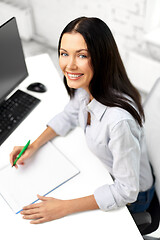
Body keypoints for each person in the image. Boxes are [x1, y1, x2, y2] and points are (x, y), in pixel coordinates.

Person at [10, 16, 154, 224]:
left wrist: (63, 207)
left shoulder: (118, 121)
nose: (69, 65)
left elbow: (126, 192)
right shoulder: (88, 88)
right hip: (109, 173)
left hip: (136, 198)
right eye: (64, 53)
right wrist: (33, 146)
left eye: (82, 56)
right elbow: (68, 115)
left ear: (102, 57)